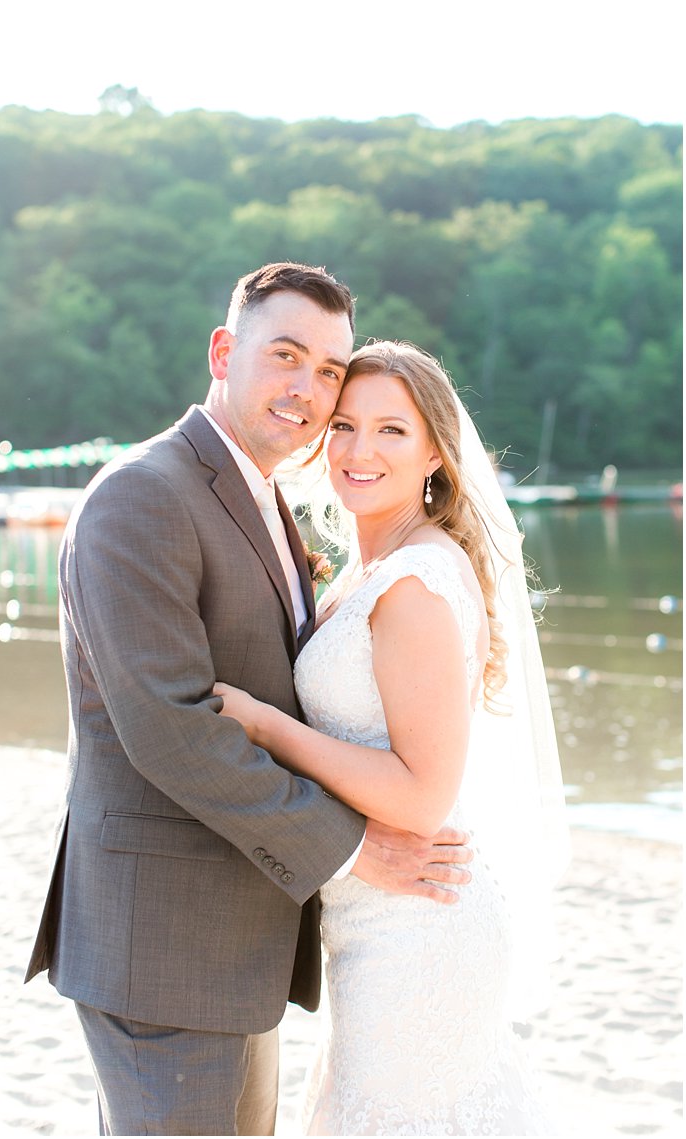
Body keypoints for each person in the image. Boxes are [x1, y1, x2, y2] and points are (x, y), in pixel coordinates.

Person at [24, 263, 475, 1135]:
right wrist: (351, 850)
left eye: (330, 372)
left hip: (236, 933)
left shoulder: (261, 494)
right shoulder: (141, 496)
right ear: (225, 350)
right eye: (286, 356)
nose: (307, 391)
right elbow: (172, 730)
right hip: (164, 944)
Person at [213, 340, 568, 1133]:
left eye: (391, 431)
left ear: (437, 451)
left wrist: (267, 726)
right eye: (343, 426)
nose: (359, 450)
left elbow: (423, 793)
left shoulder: (414, 583)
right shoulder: (366, 571)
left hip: (420, 925)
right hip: (371, 922)